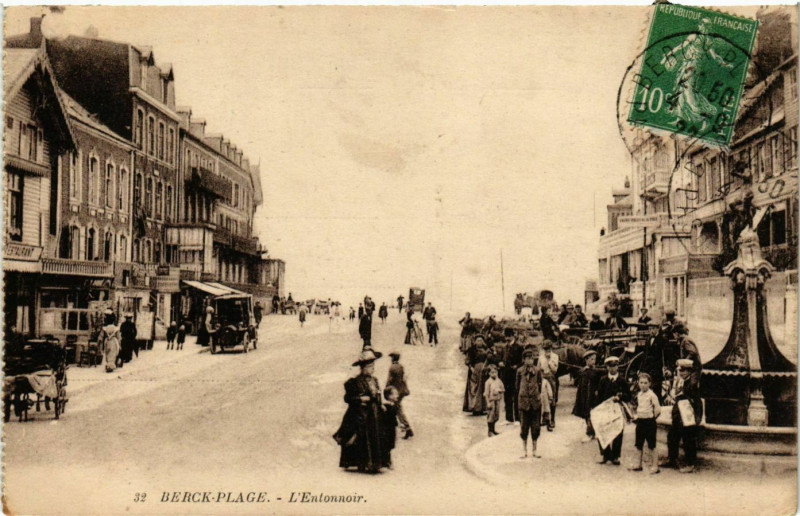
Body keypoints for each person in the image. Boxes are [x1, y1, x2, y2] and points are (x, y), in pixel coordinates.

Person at [333, 348, 386, 473]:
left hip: (374, 413)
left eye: (373, 365)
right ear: (363, 368)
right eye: (370, 366)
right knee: (362, 437)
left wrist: (380, 404)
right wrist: (360, 398)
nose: (373, 368)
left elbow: (378, 395)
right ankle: (362, 463)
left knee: (376, 435)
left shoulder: (375, 380)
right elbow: (348, 398)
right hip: (361, 414)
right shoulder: (354, 382)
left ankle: (376, 463)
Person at [662, 358, 703, 473]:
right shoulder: (681, 381)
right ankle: (672, 459)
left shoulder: (692, 383)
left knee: (688, 438)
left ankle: (691, 463)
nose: (681, 372)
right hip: (678, 413)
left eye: (684, 370)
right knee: (672, 436)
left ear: (689, 371)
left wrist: (697, 417)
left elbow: (696, 401)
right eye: (680, 370)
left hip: (688, 414)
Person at [594, 356, 630, 465]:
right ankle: (605, 454)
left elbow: (629, 396)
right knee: (603, 429)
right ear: (607, 367)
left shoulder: (622, 380)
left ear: (618, 367)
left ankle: (615, 456)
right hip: (605, 410)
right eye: (610, 366)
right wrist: (597, 409)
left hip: (617, 410)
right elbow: (599, 397)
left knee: (618, 431)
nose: (612, 369)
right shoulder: (603, 380)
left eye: (614, 366)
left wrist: (621, 397)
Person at [629, 372, 661, 474]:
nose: (643, 385)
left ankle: (655, 466)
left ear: (650, 384)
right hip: (640, 422)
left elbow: (658, 410)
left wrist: (651, 418)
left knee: (652, 445)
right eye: (641, 382)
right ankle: (638, 464)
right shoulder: (639, 394)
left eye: (645, 383)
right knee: (638, 444)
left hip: (649, 423)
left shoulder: (652, 395)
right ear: (638, 383)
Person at [517, 346, 543, 458]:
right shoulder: (519, 371)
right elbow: (517, 386)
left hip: (535, 403)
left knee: (535, 427)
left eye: (531, 358)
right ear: (523, 360)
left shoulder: (537, 371)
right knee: (524, 427)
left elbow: (540, 384)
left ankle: (534, 450)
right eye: (527, 358)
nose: (530, 360)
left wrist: (536, 395)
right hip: (524, 403)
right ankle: (524, 450)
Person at [573, 350, 599, 442]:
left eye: (594, 359)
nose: (593, 361)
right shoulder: (584, 372)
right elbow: (579, 385)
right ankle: (589, 433)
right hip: (585, 396)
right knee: (587, 414)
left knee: (592, 414)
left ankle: (593, 432)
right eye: (591, 359)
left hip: (593, 396)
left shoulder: (595, 371)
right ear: (586, 360)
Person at [386, 352, 413, 439]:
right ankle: (401, 426)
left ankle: (407, 428)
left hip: (395, 391)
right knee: (396, 408)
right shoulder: (401, 366)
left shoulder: (392, 367)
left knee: (398, 409)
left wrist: (386, 389)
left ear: (393, 358)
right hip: (401, 390)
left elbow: (389, 380)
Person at [502, 329, 523, 424]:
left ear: (513, 336)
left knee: (516, 396)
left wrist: (517, 366)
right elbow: (502, 359)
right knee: (507, 396)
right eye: (506, 336)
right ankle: (509, 418)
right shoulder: (504, 347)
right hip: (506, 375)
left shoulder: (519, 347)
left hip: (515, 375)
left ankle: (518, 418)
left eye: (509, 336)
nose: (507, 338)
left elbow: (522, 361)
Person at [463, 337, 488, 415]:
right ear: (475, 342)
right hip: (474, 371)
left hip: (483, 371)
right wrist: (471, 368)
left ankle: (482, 408)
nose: (479, 342)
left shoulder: (486, 349)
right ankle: (475, 408)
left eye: (481, 340)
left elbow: (489, 358)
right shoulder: (471, 350)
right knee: (474, 389)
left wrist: (486, 365)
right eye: (478, 340)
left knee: (483, 389)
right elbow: (467, 361)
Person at [539, 340, 560, 431]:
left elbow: (555, 370)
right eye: (545, 349)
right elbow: (538, 368)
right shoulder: (541, 357)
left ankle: (552, 419)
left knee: (552, 398)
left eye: (548, 349)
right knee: (543, 398)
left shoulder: (555, 357)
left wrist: (549, 362)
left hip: (551, 377)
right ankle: (545, 418)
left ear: (551, 348)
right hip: (543, 378)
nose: (547, 350)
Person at [381, 386, 400, 469]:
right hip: (387, 428)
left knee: (390, 444)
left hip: (392, 427)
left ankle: (387, 461)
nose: (397, 396)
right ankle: (388, 462)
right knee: (387, 445)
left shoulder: (394, 405)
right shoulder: (386, 406)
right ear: (389, 396)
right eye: (395, 394)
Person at [484, 364, 504, 437]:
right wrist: (488, 403)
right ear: (489, 373)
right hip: (491, 400)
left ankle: (493, 429)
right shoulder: (488, 382)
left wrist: (500, 391)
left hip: (497, 400)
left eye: (495, 372)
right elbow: (486, 394)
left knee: (496, 416)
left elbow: (502, 389)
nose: (494, 374)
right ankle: (490, 431)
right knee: (491, 416)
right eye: (492, 372)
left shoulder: (499, 381)